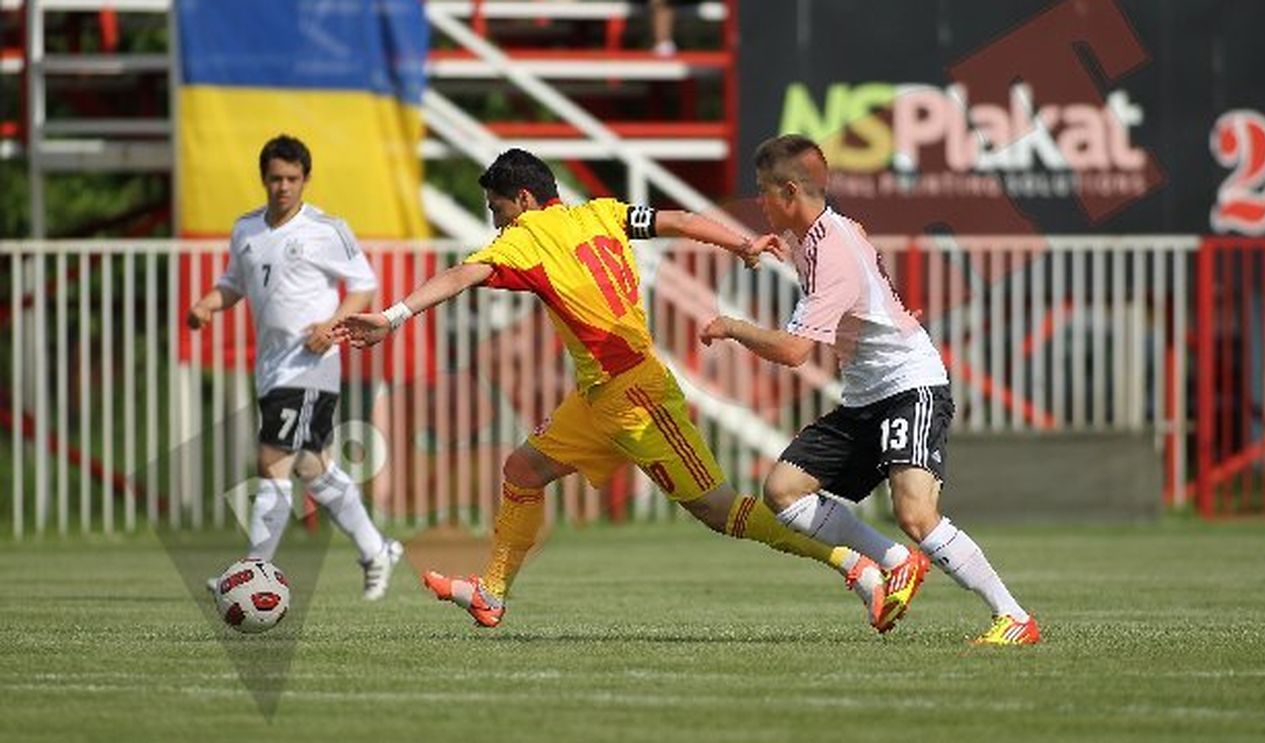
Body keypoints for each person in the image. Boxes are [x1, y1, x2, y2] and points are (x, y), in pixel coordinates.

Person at [334, 148, 912, 630]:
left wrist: (391, 316)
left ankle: (854, 566)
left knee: (717, 509)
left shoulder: (527, 237)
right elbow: (677, 221)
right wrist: (739, 244)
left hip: (637, 397)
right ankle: (492, 593)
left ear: (525, 200)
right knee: (523, 471)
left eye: (497, 209)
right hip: (598, 397)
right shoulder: (600, 213)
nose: (497, 223)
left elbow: (462, 274)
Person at [700, 134, 1041, 645]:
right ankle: (897, 562)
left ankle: (1013, 616)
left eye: (763, 191)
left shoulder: (831, 253)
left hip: (909, 385)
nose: (759, 202)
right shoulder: (825, 231)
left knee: (916, 515)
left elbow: (794, 352)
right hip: (867, 396)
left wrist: (732, 326)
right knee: (784, 491)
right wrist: (761, 247)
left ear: (790, 192)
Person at [189, 134, 404, 601]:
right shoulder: (246, 229)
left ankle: (252, 570)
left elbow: (363, 286)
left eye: (291, 178)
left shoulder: (327, 229)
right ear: (263, 179)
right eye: (275, 178)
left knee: (272, 461)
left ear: (305, 179)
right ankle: (376, 549)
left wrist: (331, 325)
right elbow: (234, 283)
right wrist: (208, 304)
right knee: (314, 468)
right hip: (271, 367)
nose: (283, 187)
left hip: (311, 365)